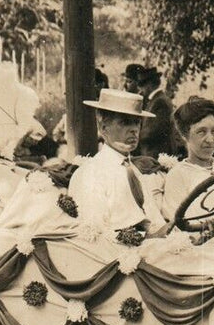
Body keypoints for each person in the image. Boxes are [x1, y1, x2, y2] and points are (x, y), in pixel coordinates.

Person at [68, 89, 167, 234]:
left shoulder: (133, 170)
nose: (134, 130)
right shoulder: (91, 173)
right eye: (125, 123)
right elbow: (94, 234)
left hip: (151, 247)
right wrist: (150, 238)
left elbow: (155, 221)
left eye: (137, 123)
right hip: (115, 253)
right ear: (103, 128)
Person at [163, 96, 214, 218]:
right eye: (201, 132)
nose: (210, 140)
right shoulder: (178, 175)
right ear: (185, 136)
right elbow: (177, 223)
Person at [54, 69, 110, 161]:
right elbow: (56, 133)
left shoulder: (103, 108)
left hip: (97, 146)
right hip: (72, 147)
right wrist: (66, 140)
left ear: (100, 85)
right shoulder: (73, 110)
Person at [123, 63, 175, 159]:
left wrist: (129, 137)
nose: (140, 90)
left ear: (150, 85)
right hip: (150, 154)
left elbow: (151, 132)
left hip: (155, 155)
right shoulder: (155, 100)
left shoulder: (160, 102)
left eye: (142, 86)